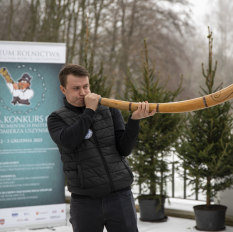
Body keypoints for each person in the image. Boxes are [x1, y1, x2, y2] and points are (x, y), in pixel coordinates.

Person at [47, 64, 155, 232]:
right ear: (63, 89)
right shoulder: (56, 118)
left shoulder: (109, 109)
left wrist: (134, 120)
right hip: (85, 201)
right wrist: (90, 110)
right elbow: (69, 141)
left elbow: (124, 149)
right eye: (76, 88)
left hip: (120, 196)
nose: (83, 92)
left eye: (86, 86)